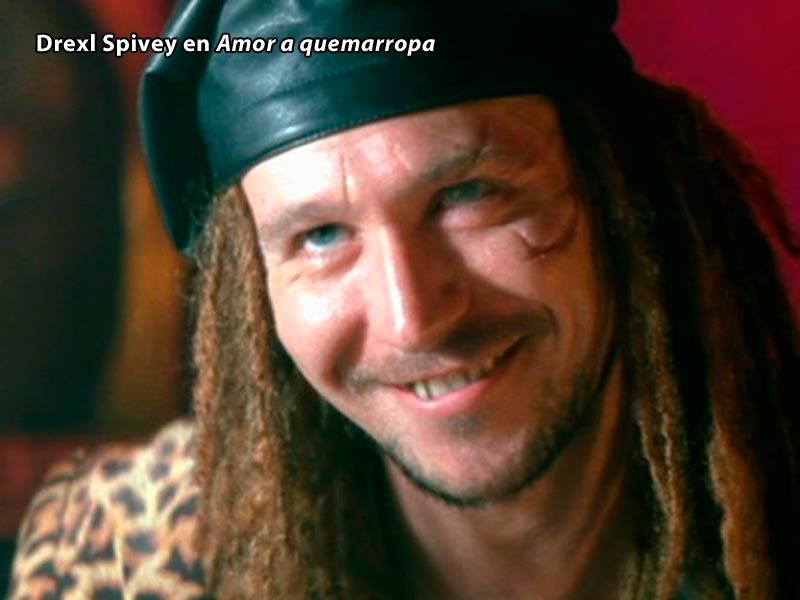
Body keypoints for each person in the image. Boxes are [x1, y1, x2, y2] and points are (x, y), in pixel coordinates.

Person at [9, 0, 800, 598]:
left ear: (619, 188)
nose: (412, 317)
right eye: (320, 235)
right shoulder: (119, 559)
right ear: (250, 294)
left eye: (469, 193)